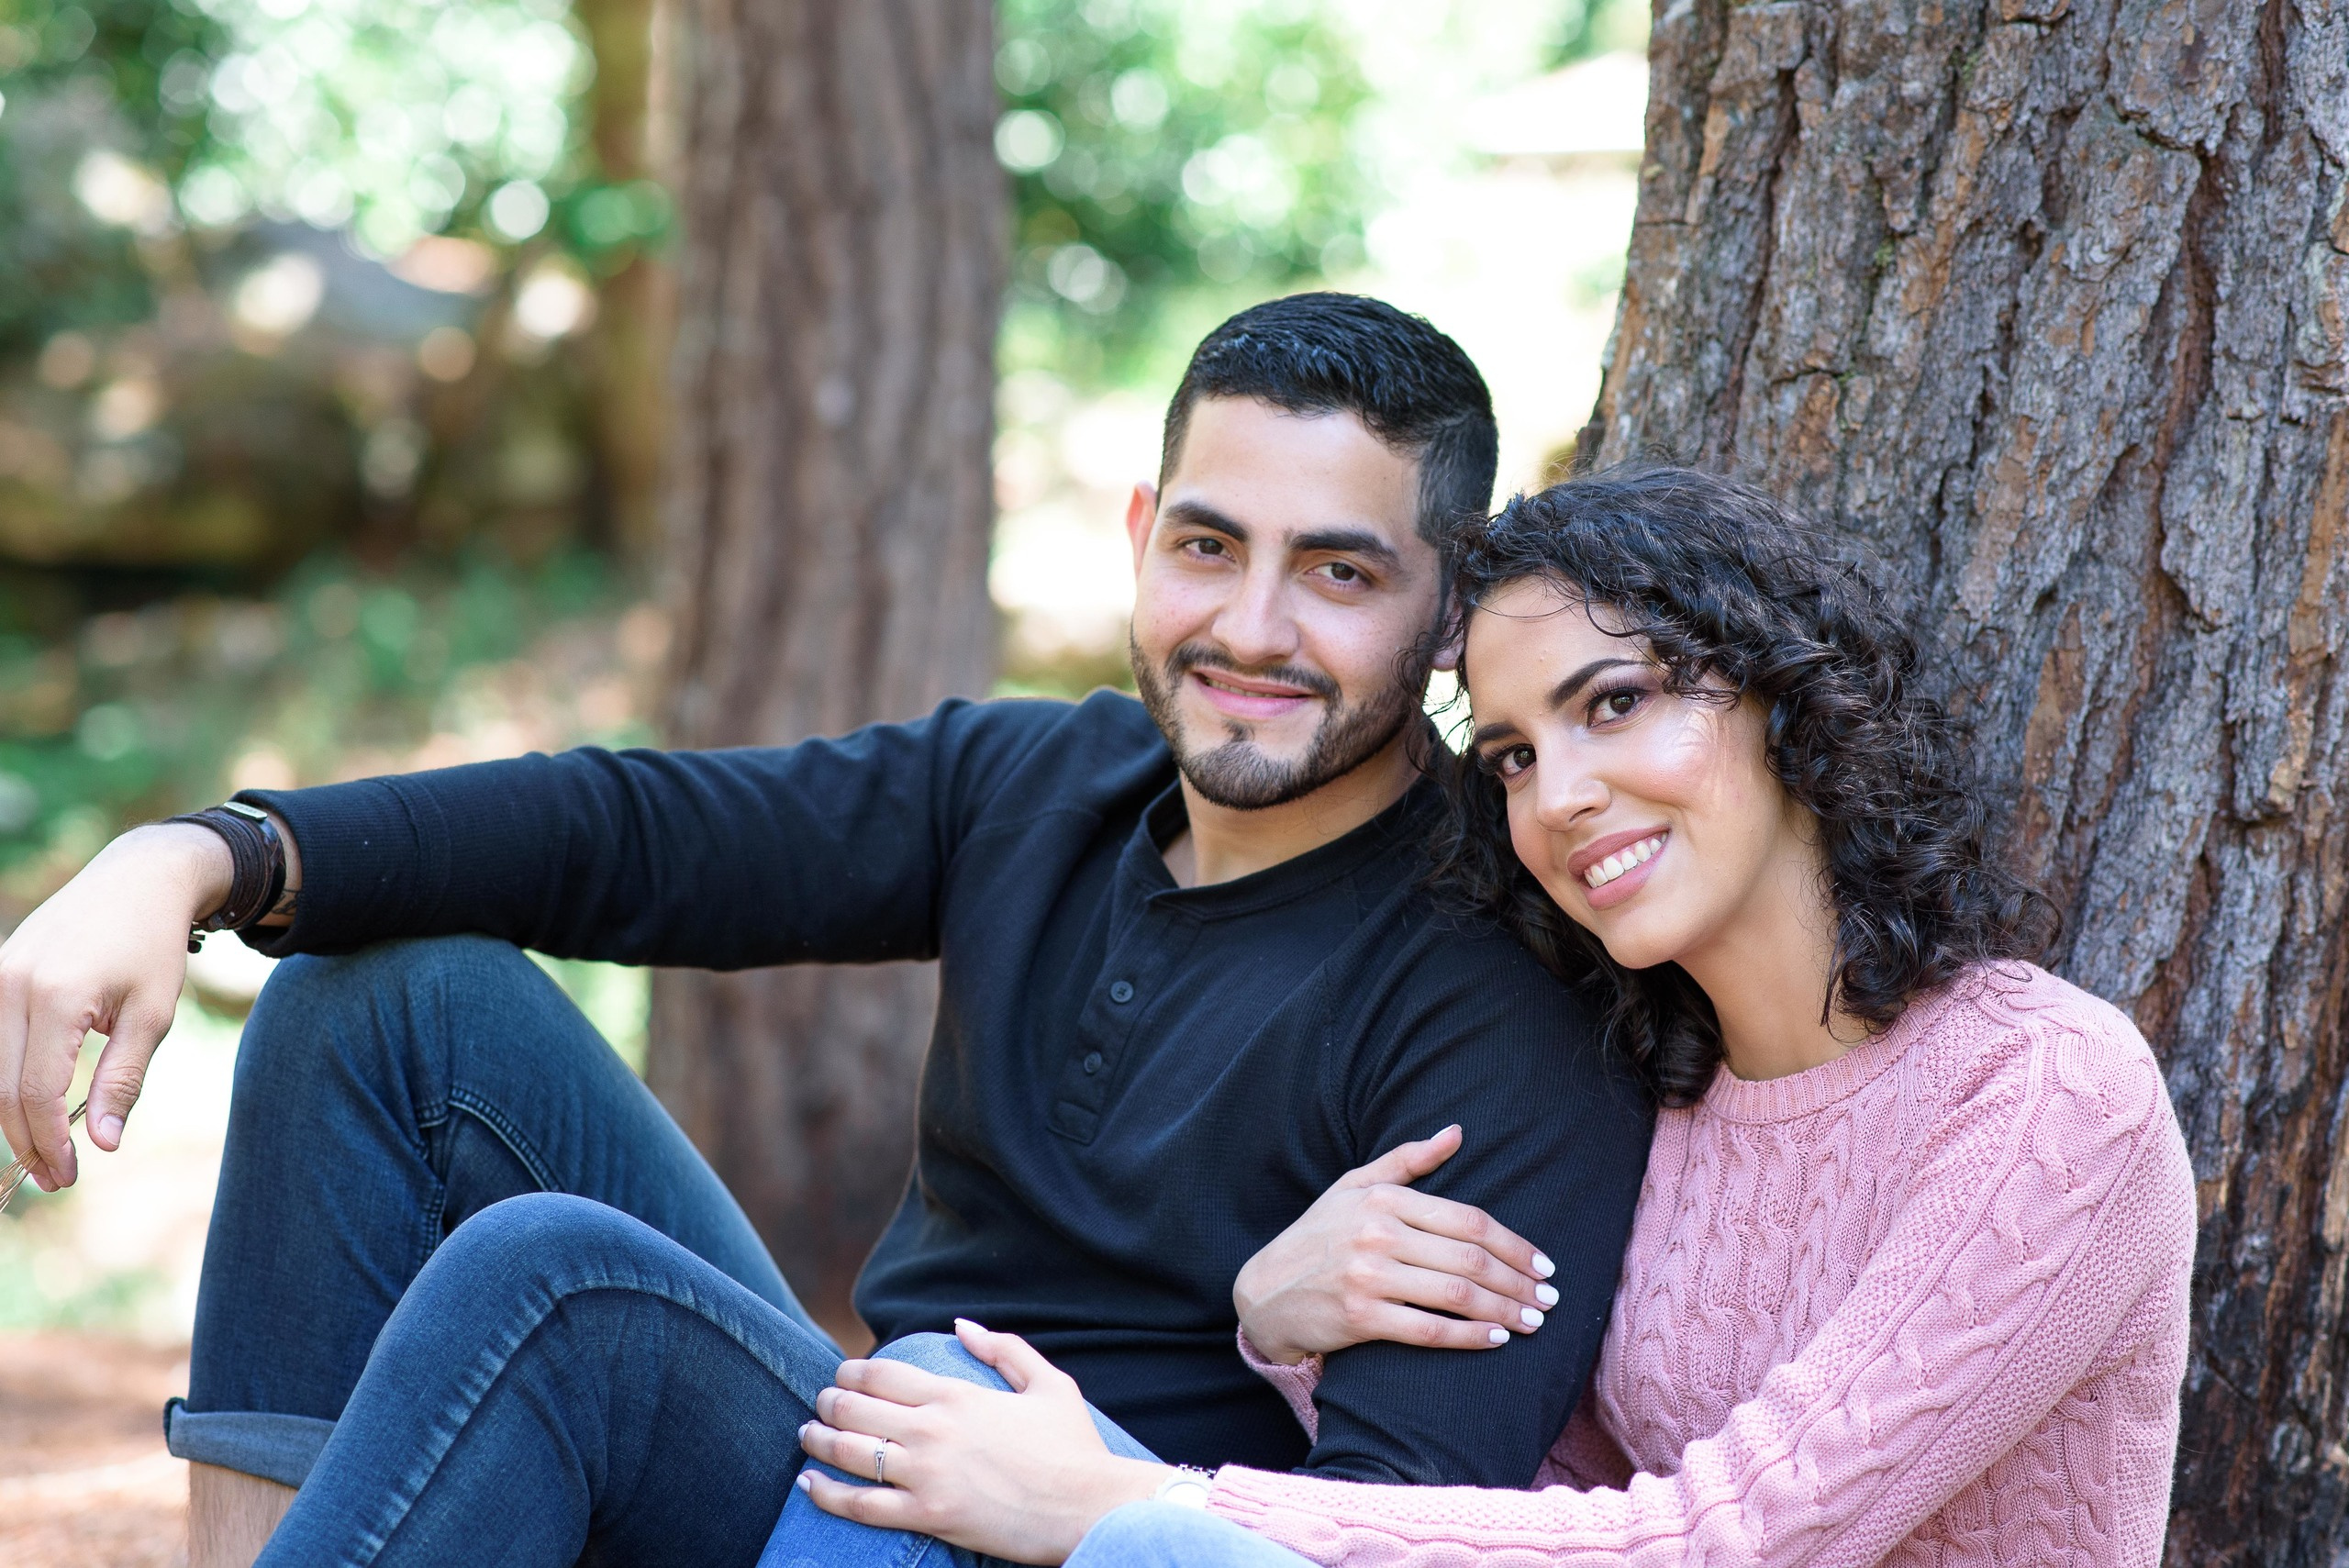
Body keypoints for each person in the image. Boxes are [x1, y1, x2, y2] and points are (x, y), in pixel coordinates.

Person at [0, 295, 1654, 1566]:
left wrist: (1111, 1478)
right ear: (1144, 533)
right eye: (1213, 547)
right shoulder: (1040, 779)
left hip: (1065, 1521)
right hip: (863, 1467)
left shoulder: (1501, 977)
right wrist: (205, 853)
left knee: (592, 1290)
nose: (1251, 626)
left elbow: (1406, 1529)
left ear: (1451, 606)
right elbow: (631, 832)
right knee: (379, 1008)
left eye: (1339, 574)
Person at [792, 466, 2199, 1568]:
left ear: (1787, 700)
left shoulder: (2044, 1090)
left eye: (1618, 702)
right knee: (932, 1390)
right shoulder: (1665, 1094)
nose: (1560, 794)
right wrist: (1289, 1331)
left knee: (1150, 1537)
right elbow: (1555, 1509)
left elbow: (1727, 1542)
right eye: (1516, 753)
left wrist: (1123, 1496)